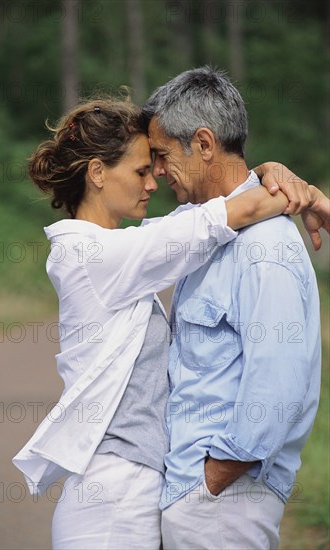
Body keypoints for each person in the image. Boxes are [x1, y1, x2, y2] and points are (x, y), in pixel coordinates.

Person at [12, 95, 328, 550]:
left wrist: (270, 172)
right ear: (98, 173)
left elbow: (205, 216)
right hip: (112, 499)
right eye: (143, 169)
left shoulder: (124, 252)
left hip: (132, 493)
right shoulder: (91, 255)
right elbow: (220, 217)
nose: (154, 180)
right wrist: (304, 192)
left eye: (156, 163)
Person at [143, 66, 329, 550]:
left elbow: (281, 378)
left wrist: (213, 478)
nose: (158, 171)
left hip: (223, 503)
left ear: (204, 144)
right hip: (197, 493)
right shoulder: (201, 227)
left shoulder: (265, 247)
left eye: (162, 156)